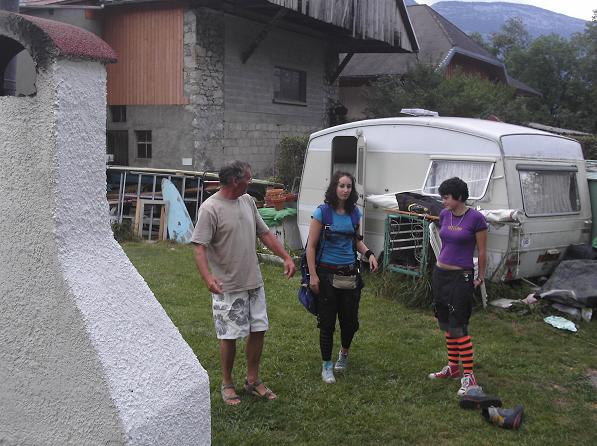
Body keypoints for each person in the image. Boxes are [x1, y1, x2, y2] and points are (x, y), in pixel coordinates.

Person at [192, 160, 296, 406]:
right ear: (234, 181)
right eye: (248, 178)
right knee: (229, 336)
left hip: (253, 281)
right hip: (227, 285)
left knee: (258, 330)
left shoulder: (247, 201)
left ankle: (252, 380)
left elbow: (265, 233)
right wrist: (208, 279)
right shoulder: (210, 208)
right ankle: (227, 384)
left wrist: (286, 256)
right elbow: (199, 247)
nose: (251, 181)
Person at [306, 171, 378, 384]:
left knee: (350, 322)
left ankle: (343, 355)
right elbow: (310, 246)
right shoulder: (322, 213)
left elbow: (356, 241)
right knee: (327, 323)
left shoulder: (355, 214)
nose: (345, 190)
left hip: (349, 274)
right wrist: (313, 275)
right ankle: (326, 366)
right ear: (334, 188)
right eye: (342, 186)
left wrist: (369, 254)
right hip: (327, 274)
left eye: (349, 186)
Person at [428, 177, 488, 396]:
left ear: (459, 197)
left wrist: (480, 277)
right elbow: (447, 243)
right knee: (446, 324)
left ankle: (469, 376)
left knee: (459, 327)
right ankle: (453, 367)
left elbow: (481, 252)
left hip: (461, 277)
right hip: (440, 274)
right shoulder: (445, 215)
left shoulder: (476, 219)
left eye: (446, 197)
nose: (443, 201)